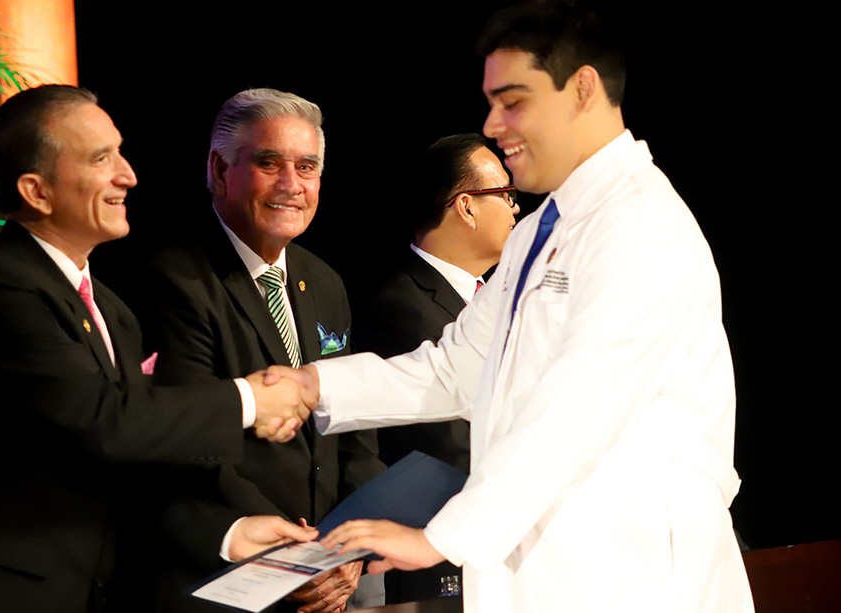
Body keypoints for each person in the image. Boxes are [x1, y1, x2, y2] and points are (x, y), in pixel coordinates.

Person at [266, 2, 754, 611]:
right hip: (553, 576)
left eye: (513, 101)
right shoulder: (539, 235)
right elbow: (453, 368)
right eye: (492, 103)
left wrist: (439, 538)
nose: (493, 124)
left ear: (582, 90)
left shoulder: (640, 223)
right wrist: (313, 386)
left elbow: (578, 407)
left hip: (637, 575)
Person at [0, 85, 316, 613]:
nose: (128, 175)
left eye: (120, 152)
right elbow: (105, 423)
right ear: (36, 191)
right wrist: (250, 400)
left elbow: (135, 456)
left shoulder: (109, 308)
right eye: (101, 159)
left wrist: (231, 532)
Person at [141, 88, 384, 613]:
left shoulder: (326, 281)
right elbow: (187, 444)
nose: (291, 185)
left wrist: (347, 547)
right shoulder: (175, 278)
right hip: (222, 581)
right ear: (218, 169)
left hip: (326, 578)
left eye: (306, 167)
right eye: (269, 163)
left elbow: (354, 434)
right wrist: (296, 558)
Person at [354, 134, 517, 604]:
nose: (515, 209)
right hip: (435, 562)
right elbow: (446, 444)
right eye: (505, 194)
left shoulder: (501, 298)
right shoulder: (402, 307)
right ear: (466, 207)